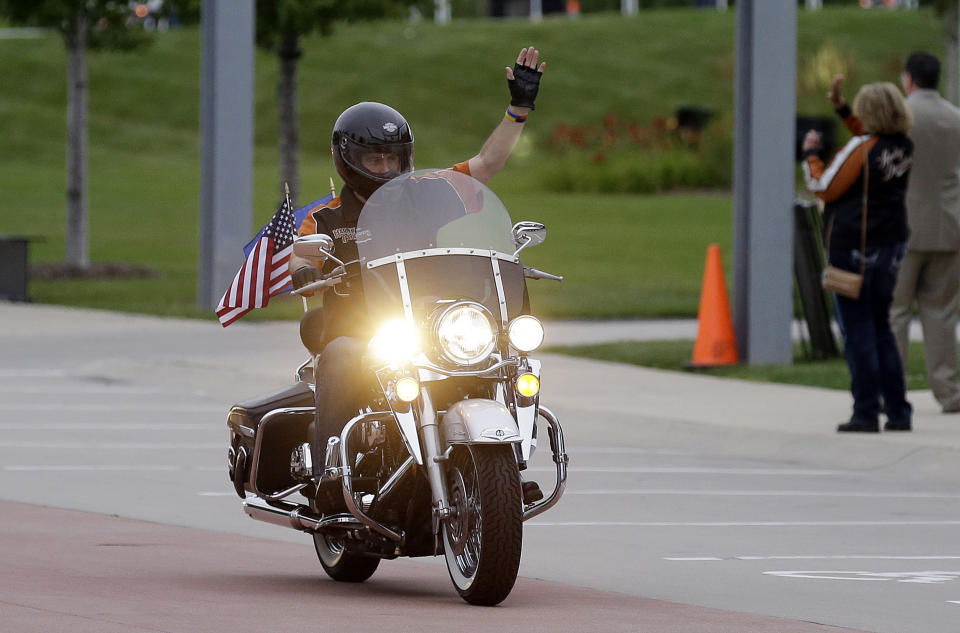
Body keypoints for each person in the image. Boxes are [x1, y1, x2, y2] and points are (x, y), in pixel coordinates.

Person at [287, 46, 546, 509]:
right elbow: (301, 256)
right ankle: (331, 472)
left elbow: (485, 167)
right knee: (341, 354)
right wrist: (309, 271)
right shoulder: (324, 217)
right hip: (367, 330)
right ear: (347, 158)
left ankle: (505, 471)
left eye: (393, 157)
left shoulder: (430, 192)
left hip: (432, 321)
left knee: (501, 355)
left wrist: (518, 110)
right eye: (374, 159)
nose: (385, 167)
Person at [802, 81, 914, 433]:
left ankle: (865, 410)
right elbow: (868, 138)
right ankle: (898, 410)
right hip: (889, 245)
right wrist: (842, 109)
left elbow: (824, 186)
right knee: (882, 327)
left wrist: (810, 157)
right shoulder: (902, 146)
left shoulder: (862, 147)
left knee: (858, 331)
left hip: (853, 248)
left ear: (871, 114)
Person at [889, 52, 960, 415]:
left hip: (903, 227)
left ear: (909, 79)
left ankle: (893, 389)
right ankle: (949, 392)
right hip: (949, 226)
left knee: (896, 310)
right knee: (942, 312)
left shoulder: (900, 118)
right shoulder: (955, 118)